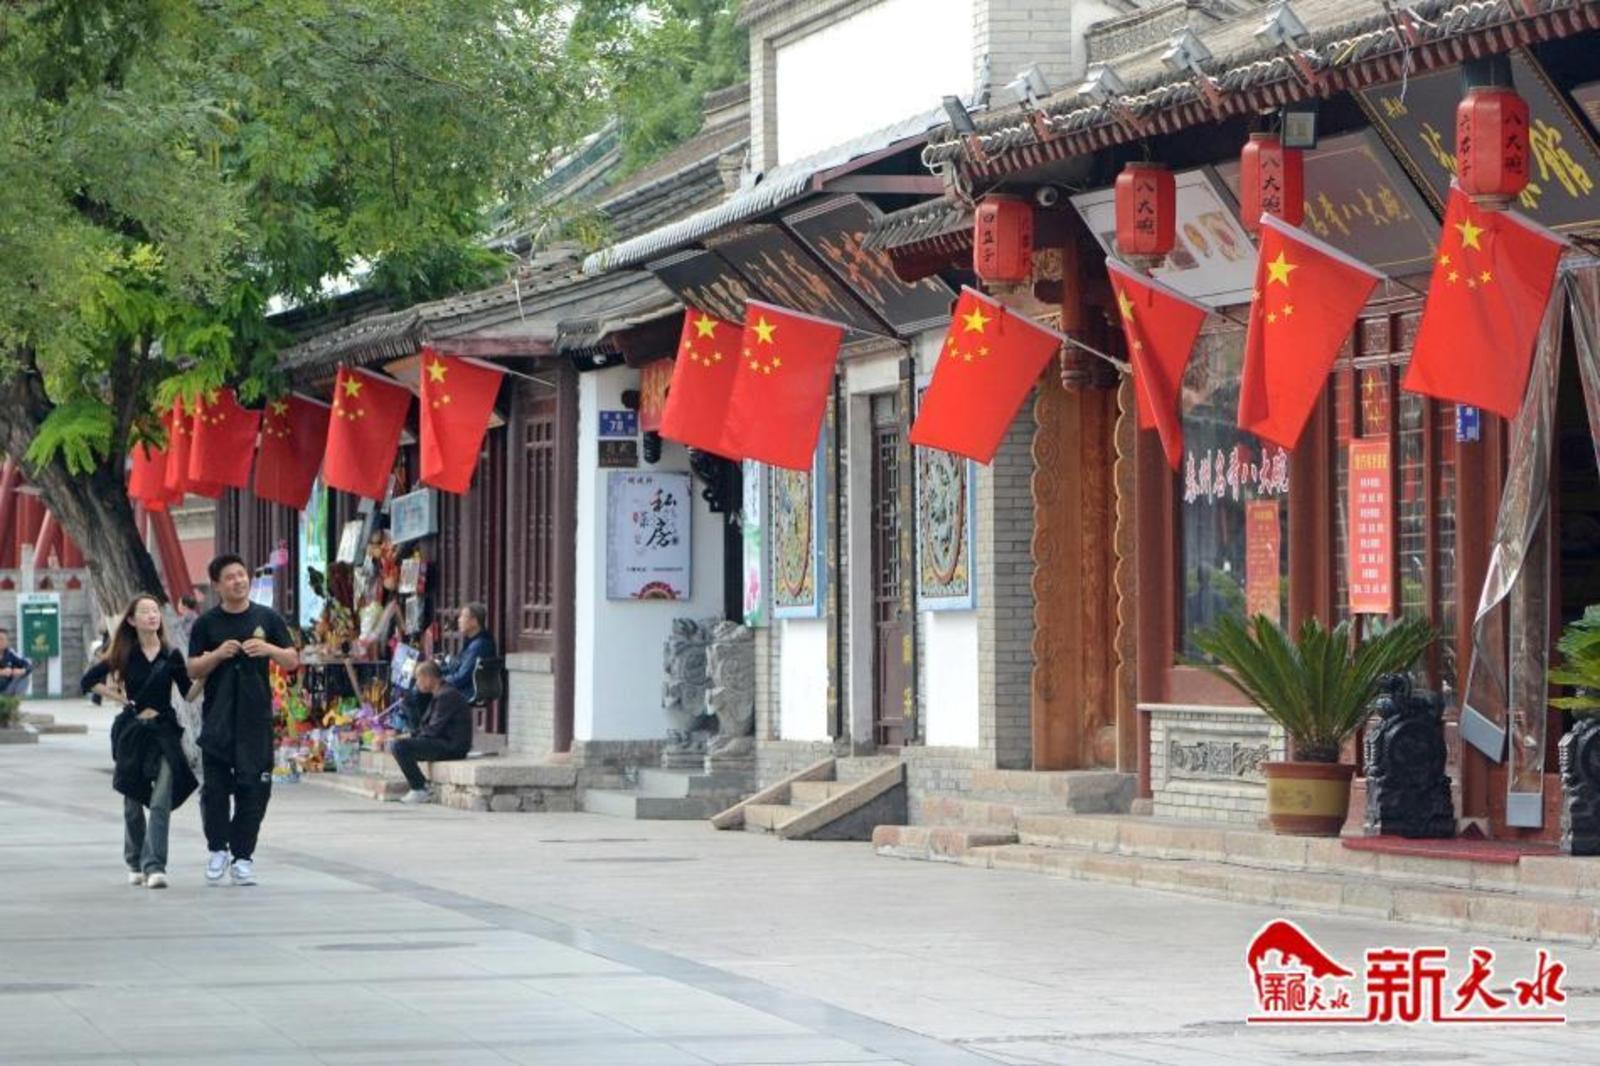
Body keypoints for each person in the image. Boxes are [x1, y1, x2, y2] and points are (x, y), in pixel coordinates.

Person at [187, 554, 298, 887]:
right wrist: (217, 654)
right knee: (215, 790)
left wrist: (268, 650)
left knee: (255, 789)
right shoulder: (206, 624)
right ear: (217, 586)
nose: (238, 581)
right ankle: (217, 849)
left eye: (241, 574)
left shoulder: (267, 617)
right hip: (218, 720)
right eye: (230, 577)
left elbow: (292, 659)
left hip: (255, 721)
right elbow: (192, 668)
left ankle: (243, 857)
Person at [82, 595, 200, 890]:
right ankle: (135, 861)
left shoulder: (171, 655)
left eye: (155, 611)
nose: (152, 615)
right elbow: (88, 681)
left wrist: (205, 675)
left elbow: (188, 694)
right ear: (132, 620)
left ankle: (155, 866)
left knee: (160, 801)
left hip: (164, 733)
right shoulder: (125, 653)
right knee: (132, 804)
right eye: (145, 611)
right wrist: (120, 698)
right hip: (133, 733)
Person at [390, 661, 474, 805]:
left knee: (399, 746)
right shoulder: (438, 693)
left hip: (452, 746)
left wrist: (410, 738)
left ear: (429, 678)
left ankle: (420, 788)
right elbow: (425, 725)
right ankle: (420, 787)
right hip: (444, 741)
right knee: (400, 745)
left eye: (419, 678)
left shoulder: (447, 695)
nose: (417, 683)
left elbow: (433, 730)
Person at [443, 603, 496, 700]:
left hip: (467, 690)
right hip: (466, 687)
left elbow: (462, 677)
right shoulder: (473, 641)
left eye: (463, 616)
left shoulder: (479, 645)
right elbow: (457, 666)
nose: (459, 620)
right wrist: (435, 671)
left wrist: (437, 681)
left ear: (474, 621)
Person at [0, 628, 33, 697]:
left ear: (7, 642)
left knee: (24, 676)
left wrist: (22, 671)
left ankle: (15, 700)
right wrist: (2, 672)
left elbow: (28, 664)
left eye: (3, 639)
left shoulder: (10, 653)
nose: (1, 642)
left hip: (6, 690)